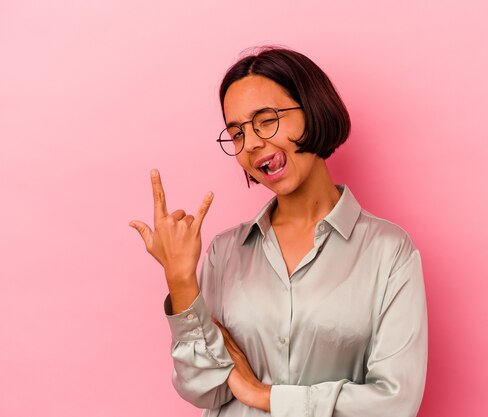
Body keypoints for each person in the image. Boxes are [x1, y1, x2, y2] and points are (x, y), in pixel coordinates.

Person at [130, 46, 428, 417]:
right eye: (236, 132)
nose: (251, 142)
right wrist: (180, 281)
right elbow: (204, 390)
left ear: (312, 109)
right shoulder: (226, 252)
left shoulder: (388, 252)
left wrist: (263, 396)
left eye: (265, 120)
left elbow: (395, 403)